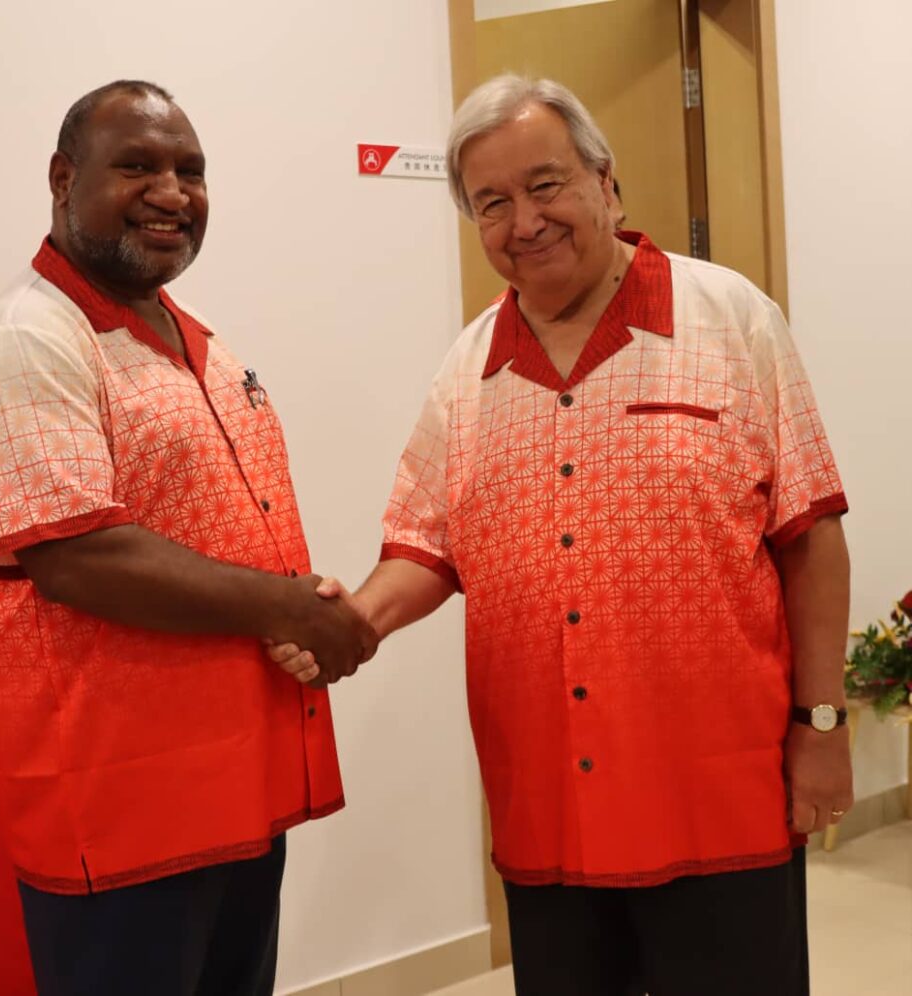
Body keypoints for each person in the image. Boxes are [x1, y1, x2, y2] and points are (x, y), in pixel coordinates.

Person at [269, 74, 853, 996]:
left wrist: (821, 726)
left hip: (717, 797)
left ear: (605, 184)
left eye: (545, 185)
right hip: (549, 807)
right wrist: (352, 622)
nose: (524, 221)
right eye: (491, 204)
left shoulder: (731, 318)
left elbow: (811, 535)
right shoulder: (470, 369)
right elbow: (425, 546)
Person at [0, 79, 376, 996]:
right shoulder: (26, 340)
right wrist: (290, 605)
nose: (172, 192)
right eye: (137, 165)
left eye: (191, 170)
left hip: (236, 794)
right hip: (123, 814)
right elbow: (76, 556)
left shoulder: (190, 336)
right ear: (63, 179)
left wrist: (297, 612)